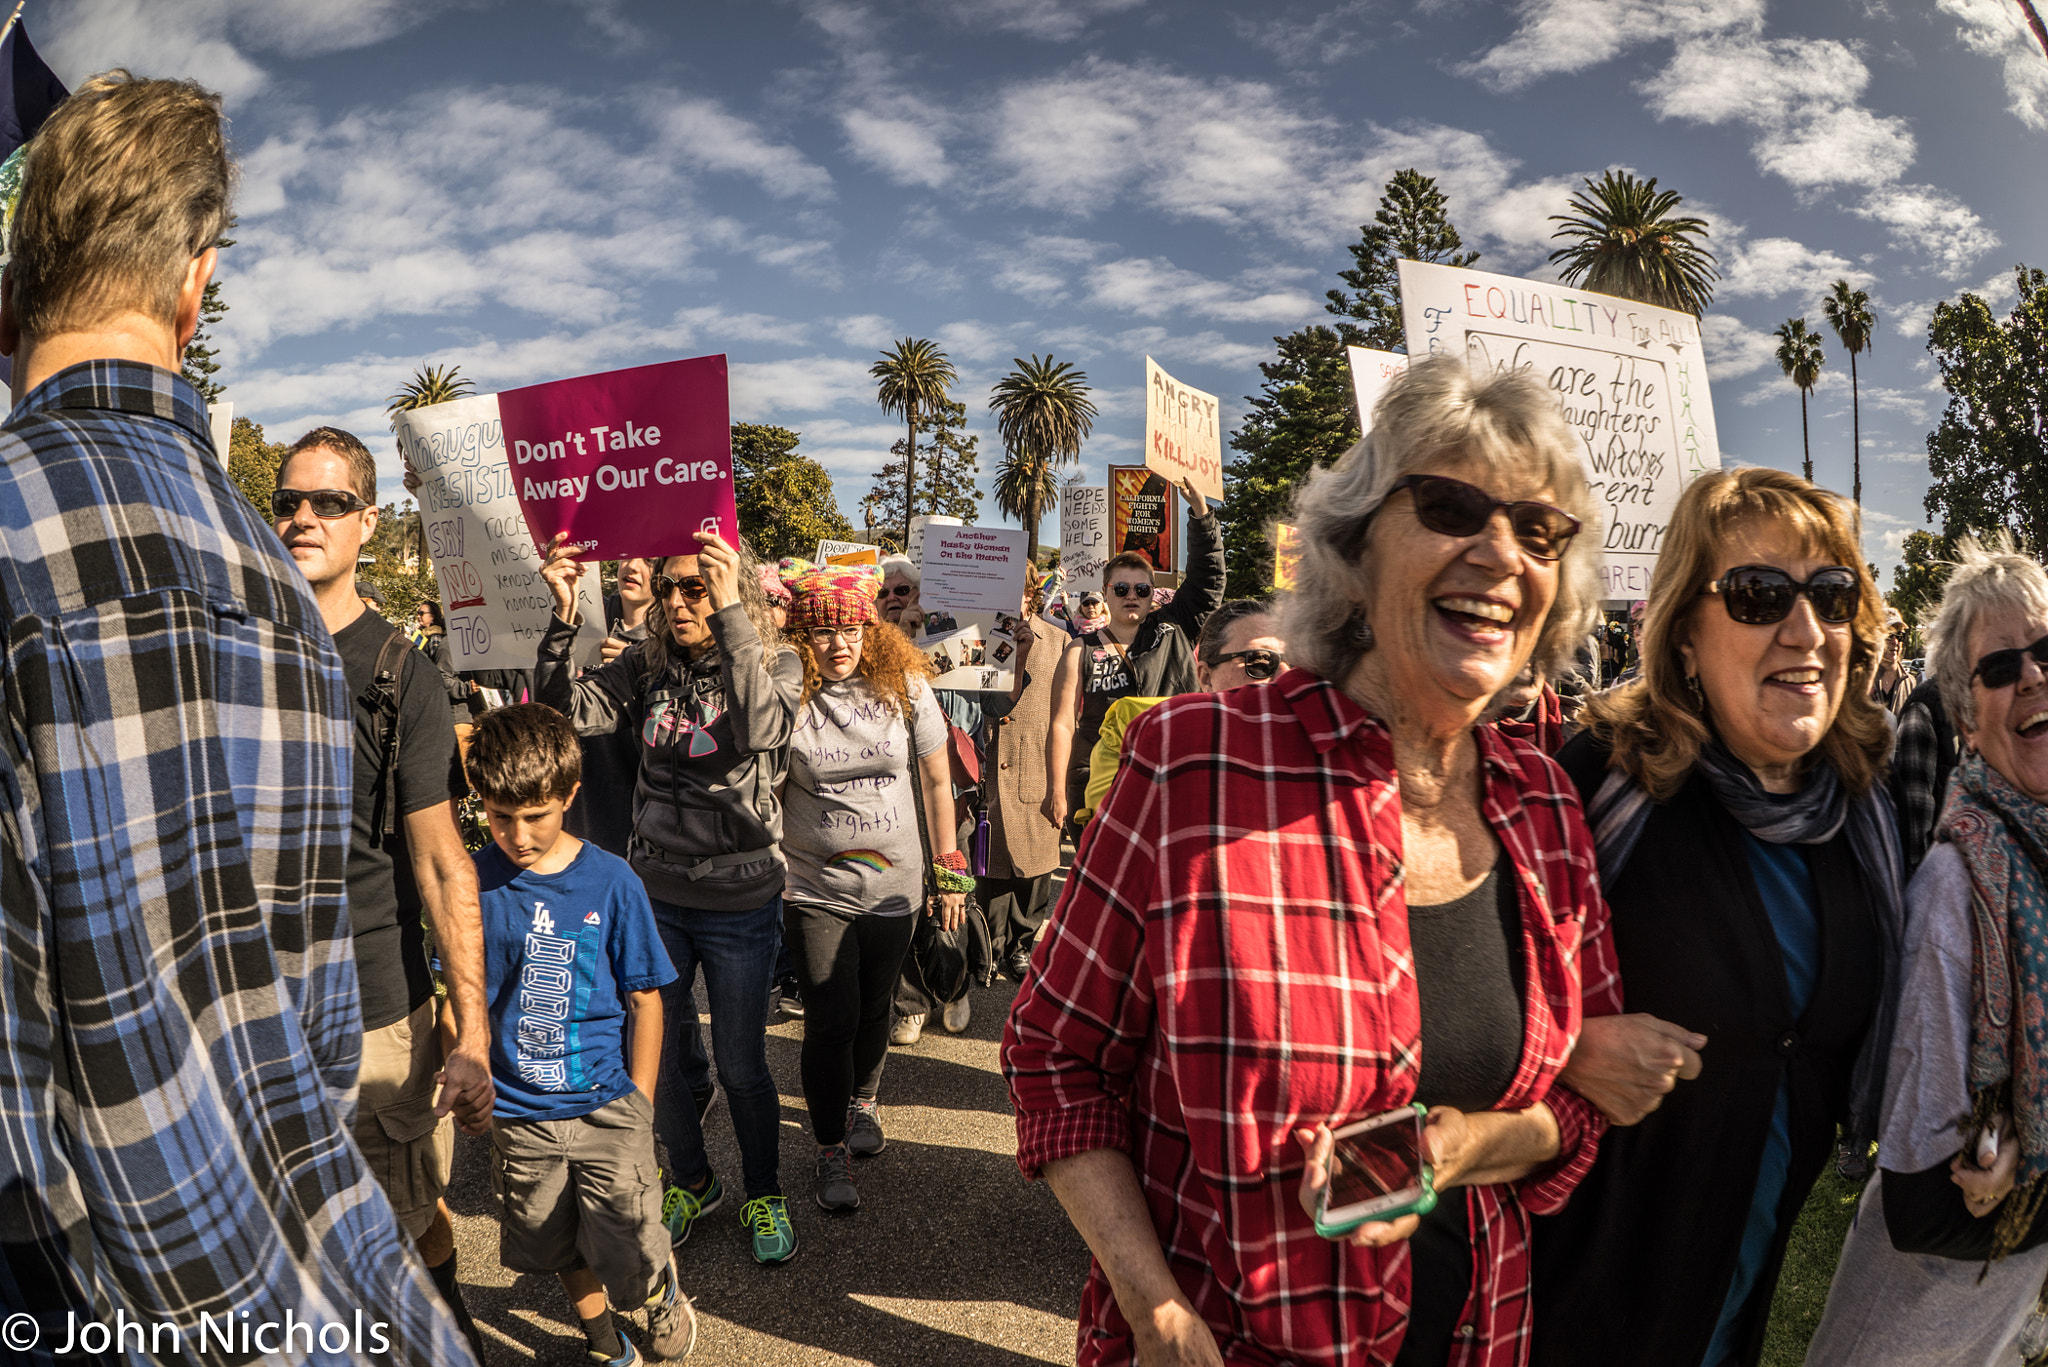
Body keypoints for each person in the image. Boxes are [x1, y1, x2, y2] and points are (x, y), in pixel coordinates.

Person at [1005, 356, 1616, 1367]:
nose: (1500, 551)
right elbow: (1054, 1056)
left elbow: (1572, 1101)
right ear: (1355, 544)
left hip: (1481, 1337)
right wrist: (1151, 1304)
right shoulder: (1194, 760)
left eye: (1538, 528)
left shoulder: (1546, 797)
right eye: (1451, 504)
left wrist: (1454, 1146)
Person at [0, 71, 471, 1359]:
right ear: (195, 283)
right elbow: (310, 1018)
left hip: (76, 1280)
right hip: (294, 1273)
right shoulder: (275, 586)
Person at [1529, 466, 1904, 1367]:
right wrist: (1568, 1048)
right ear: (1685, 636)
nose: (1805, 629)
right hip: (1567, 1308)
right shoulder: (1599, 780)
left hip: (1733, 1309)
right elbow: (1454, 999)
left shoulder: (1865, 814)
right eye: (1758, 594)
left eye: (1833, 592)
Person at [273, 426, 496, 1358]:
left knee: (404, 1218)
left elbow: (445, 862)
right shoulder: (239, 644)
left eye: (328, 503)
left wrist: (471, 1030)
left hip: (374, 1009)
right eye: (288, 499)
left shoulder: (403, 672)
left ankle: (450, 1339)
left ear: (369, 520)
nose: (302, 518)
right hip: (261, 1004)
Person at [1805, 536, 2048, 1366]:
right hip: (1906, 1336)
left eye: (2047, 650)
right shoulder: (1959, 890)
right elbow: (1919, 1202)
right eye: (2001, 665)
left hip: (1991, 1320)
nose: (2034, 675)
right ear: (1965, 719)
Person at [535, 529, 803, 1265]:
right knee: (652, 1046)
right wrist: (562, 619)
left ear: (730, 586)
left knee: (742, 1063)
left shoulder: (774, 658)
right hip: (657, 894)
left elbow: (762, 730)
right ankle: (692, 1177)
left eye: (697, 585)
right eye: (672, 586)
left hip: (741, 898)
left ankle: (764, 1190)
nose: (679, 600)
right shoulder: (647, 666)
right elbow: (568, 716)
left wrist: (730, 617)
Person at [467, 704, 696, 1366]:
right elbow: (464, 994)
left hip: (605, 1102)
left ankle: (655, 1295)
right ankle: (600, 1333)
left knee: (631, 1241)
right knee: (550, 1239)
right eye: (500, 814)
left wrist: (641, 1100)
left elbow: (646, 998)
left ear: (570, 793)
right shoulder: (473, 881)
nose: (518, 833)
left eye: (535, 814)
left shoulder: (611, 879)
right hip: (518, 1113)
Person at [776, 562, 966, 1211]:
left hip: (896, 887)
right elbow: (767, 790)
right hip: (815, 886)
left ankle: (864, 1101)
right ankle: (829, 1147)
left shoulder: (904, 683)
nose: (838, 643)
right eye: (822, 631)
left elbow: (939, 781)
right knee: (831, 1014)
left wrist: (951, 872)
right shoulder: (789, 694)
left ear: (868, 627)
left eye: (849, 627)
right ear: (803, 635)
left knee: (875, 1004)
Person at [1043, 478, 1226, 832]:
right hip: (1098, 787)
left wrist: (1201, 516)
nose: (1132, 595)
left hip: (1173, 778)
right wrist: (1056, 789)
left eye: (1142, 589)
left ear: (1151, 593)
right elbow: (1063, 723)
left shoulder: (1175, 628)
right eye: (1121, 588)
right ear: (1106, 592)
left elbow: (1208, 581)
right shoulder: (1079, 649)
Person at [1077, 597, 1285, 821]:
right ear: (1205, 677)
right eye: (1260, 661)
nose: (1285, 676)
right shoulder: (1141, 738)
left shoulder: (1317, 754)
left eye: (1297, 664)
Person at [980, 570, 1067, 985]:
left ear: (1031, 596)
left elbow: (1070, 713)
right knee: (991, 870)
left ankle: (1021, 945)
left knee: (1035, 870)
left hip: (1036, 766)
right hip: (989, 770)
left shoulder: (1060, 640)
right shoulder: (976, 637)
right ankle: (990, 946)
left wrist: (1060, 783)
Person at [564, 557, 656, 858]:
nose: (632, 567)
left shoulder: (675, 638)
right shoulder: (585, 617)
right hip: (580, 798)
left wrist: (638, 666)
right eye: (626, 555)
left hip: (639, 807)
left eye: (650, 561)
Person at [1891, 673, 1962, 878]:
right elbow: (1915, 810)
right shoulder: (1926, 706)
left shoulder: (1986, 699)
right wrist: (1922, 876)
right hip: (1940, 874)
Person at [414, 597, 473, 729]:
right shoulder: (437, 640)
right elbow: (440, 672)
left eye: (422, 613)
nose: (418, 616)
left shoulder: (435, 637)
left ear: (433, 616)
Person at [1872, 612, 1914, 713]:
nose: (1895, 642)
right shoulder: (1864, 682)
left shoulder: (1911, 683)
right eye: (1890, 635)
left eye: (1899, 635)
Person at [879, 553, 922, 633]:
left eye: (901, 590)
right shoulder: (862, 638)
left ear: (917, 593)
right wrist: (902, 631)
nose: (891, 597)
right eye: (882, 592)